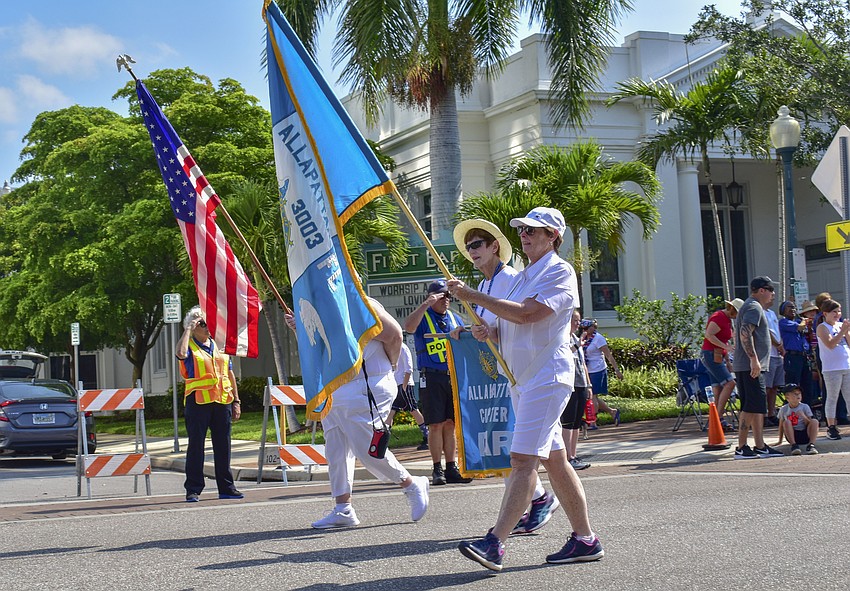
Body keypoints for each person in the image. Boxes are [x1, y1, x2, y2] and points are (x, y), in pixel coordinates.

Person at [448, 206, 603, 572]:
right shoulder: (523, 277)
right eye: (522, 230)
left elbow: (528, 314)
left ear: (553, 237)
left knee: (521, 460)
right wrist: (489, 331)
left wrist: (473, 296)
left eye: (535, 230)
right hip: (524, 379)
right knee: (555, 460)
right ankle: (585, 539)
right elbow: (510, 325)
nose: (525, 235)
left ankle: (494, 543)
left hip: (546, 377)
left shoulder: (559, 271)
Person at [453, 218, 560, 533]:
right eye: (468, 246)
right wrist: (479, 331)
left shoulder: (511, 278)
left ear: (494, 246)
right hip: (510, 374)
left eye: (477, 244)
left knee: (518, 454)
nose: (472, 251)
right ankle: (565, 520)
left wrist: (474, 301)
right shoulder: (486, 284)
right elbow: (500, 329)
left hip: (530, 373)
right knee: (536, 454)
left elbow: (524, 316)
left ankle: (501, 533)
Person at [285, 299, 430, 528]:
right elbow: (318, 348)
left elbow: (394, 336)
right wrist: (299, 330)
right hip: (335, 386)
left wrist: (389, 368)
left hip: (368, 383)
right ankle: (343, 508)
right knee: (336, 448)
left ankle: (411, 484)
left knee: (367, 448)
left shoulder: (360, 303)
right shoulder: (321, 306)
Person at [404, 279, 471, 485]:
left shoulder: (453, 317)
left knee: (450, 424)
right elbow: (408, 326)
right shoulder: (424, 316)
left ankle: (451, 467)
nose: (446, 300)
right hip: (431, 375)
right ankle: (437, 469)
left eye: (448, 296)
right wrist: (425, 304)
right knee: (435, 424)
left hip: (451, 375)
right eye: (442, 296)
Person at [176, 306, 244, 502]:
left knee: (223, 446)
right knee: (196, 446)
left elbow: (229, 373)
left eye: (208, 323)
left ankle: (226, 487)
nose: (207, 327)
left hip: (222, 400)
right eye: (202, 324)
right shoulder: (188, 344)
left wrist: (236, 401)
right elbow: (180, 355)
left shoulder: (219, 344)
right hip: (198, 402)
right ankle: (193, 489)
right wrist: (188, 329)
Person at [731, 276, 784, 459]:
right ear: (762, 290)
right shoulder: (753, 306)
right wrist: (753, 359)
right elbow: (745, 332)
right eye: (770, 289)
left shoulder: (752, 306)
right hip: (750, 366)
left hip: (751, 365)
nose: (773, 294)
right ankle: (741, 447)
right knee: (750, 405)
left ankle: (760, 446)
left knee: (757, 406)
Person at [700, 298, 743, 430]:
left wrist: (727, 360)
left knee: (718, 387)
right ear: (731, 309)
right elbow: (709, 335)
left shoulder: (727, 320)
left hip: (718, 355)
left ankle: (715, 420)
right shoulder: (718, 317)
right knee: (730, 383)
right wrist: (725, 347)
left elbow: (722, 338)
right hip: (710, 354)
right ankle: (718, 417)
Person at [815, 298, 850, 441]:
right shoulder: (822, 327)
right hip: (831, 369)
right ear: (825, 313)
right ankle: (831, 427)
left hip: (846, 366)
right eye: (834, 312)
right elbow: (830, 344)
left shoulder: (841, 325)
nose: (837, 314)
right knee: (832, 397)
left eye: (839, 311)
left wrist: (846, 331)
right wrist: (842, 331)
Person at [387, 342, 429, 451]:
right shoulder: (392, 347)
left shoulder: (403, 348)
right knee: (390, 411)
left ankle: (427, 436)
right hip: (395, 385)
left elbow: (408, 369)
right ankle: (384, 438)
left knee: (413, 409)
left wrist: (404, 386)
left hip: (404, 384)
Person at [580, 318, 621, 428]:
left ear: (593, 327)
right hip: (587, 370)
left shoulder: (598, 339)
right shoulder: (583, 338)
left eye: (587, 328)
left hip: (598, 370)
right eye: (583, 328)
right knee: (592, 396)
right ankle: (612, 412)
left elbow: (608, 355)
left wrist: (617, 370)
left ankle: (593, 421)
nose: (585, 330)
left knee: (593, 395)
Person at [563, 310, 591, 470]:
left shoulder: (575, 339)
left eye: (578, 320)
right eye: (574, 320)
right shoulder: (563, 338)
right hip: (569, 385)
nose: (577, 324)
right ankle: (566, 457)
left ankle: (573, 454)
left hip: (580, 384)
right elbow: (563, 354)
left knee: (576, 423)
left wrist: (589, 385)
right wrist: (576, 345)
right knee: (567, 421)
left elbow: (583, 364)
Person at [778, 301, 815, 407]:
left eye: (794, 308)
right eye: (789, 308)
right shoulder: (784, 322)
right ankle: (790, 409)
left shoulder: (798, 321)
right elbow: (800, 327)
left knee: (807, 384)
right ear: (783, 311)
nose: (793, 310)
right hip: (792, 356)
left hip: (804, 356)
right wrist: (805, 321)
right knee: (792, 384)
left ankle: (807, 408)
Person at [775, 383, 819, 455]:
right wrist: (780, 440)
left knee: (814, 421)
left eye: (799, 394)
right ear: (787, 397)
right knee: (786, 422)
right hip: (793, 435)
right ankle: (794, 446)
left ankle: (811, 445)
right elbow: (781, 426)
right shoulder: (783, 409)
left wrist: (803, 416)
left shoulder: (805, 407)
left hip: (805, 433)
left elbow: (809, 423)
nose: (798, 395)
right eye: (795, 394)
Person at [763, 301, 786, 425]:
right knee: (766, 386)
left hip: (777, 355)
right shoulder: (759, 312)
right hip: (768, 355)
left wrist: (781, 344)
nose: (773, 298)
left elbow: (776, 331)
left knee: (774, 386)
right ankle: (764, 414)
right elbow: (766, 331)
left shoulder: (772, 313)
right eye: (771, 294)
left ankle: (772, 413)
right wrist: (776, 345)